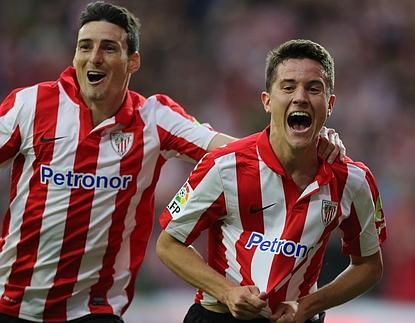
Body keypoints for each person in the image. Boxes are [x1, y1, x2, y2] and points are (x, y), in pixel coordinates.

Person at [0, 3, 345, 323]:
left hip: (94, 310)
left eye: (108, 48)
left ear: (132, 61)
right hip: (10, 300)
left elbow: (237, 152)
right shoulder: (30, 106)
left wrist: (309, 141)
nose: (94, 58)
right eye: (85, 46)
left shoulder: (153, 119)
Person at [156, 39, 386, 323]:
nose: (300, 97)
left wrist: (307, 306)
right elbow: (168, 244)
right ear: (267, 100)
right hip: (220, 316)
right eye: (288, 87)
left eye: (313, 89)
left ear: (330, 105)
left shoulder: (354, 181)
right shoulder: (224, 166)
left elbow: (369, 265)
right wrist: (227, 292)